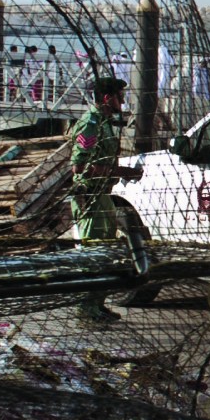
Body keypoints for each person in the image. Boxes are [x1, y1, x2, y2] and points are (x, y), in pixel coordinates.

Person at [70, 76, 141, 320]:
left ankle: (97, 304)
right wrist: (121, 172)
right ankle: (86, 308)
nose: (123, 101)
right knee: (93, 255)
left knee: (105, 251)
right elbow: (80, 167)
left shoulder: (105, 123)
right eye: (120, 97)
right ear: (108, 98)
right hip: (89, 196)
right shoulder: (91, 124)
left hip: (102, 195)